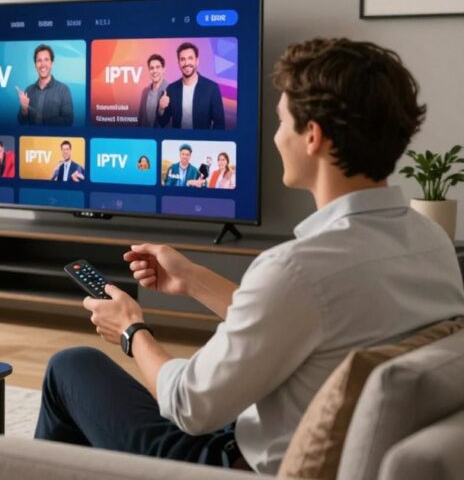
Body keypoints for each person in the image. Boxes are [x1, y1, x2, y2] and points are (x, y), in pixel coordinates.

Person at [35, 38, 464, 474]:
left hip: (231, 464)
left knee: (71, 367)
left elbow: (188, 405)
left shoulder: (298, 268)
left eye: (281, 122)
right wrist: (194, 279)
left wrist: (130, 330)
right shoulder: (433, 241)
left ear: (312, 136)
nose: (276, 137)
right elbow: (307, 320)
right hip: (281, 437)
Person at [156, 42, 226, 130]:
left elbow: (220, 124)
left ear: (197, 61)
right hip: (177, 142)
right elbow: (162, 122)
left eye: (190, 58)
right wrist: (161, 108)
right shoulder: (171, 89)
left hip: (202, 142)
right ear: (178, 63)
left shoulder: (212, 88)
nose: (186, 63)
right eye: (182, 59)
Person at [17, 44, 74, 126]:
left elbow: (68, 121)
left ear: (52, 63)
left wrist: (46, 121)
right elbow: (21, 122)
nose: (42, 64)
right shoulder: (28, 90)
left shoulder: (63, 90)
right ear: (35, 65)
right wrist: (24, 109)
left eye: (46, 60)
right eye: (39, 60)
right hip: (32, 139)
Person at [137, 54, 168, 127]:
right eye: (152, 68)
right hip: (145, 136)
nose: (154, 71)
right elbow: (140, 118)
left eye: (158, 67)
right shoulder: (145, 92)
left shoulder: (170, 90)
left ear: (163, 69)